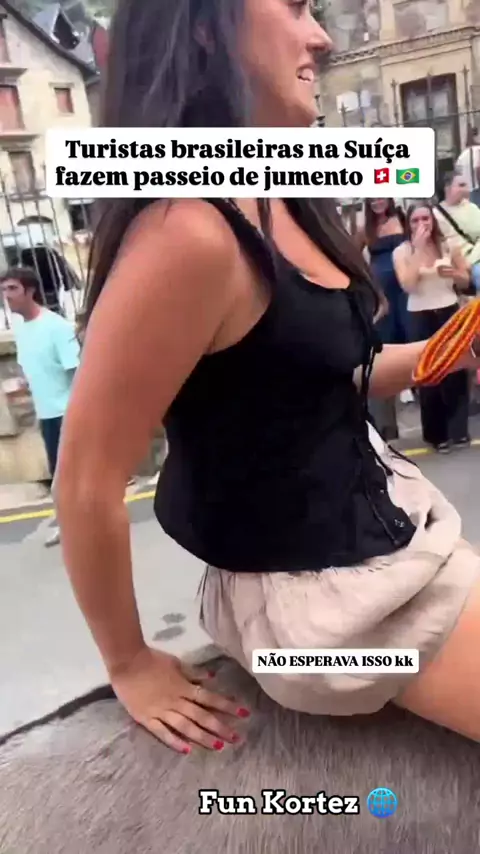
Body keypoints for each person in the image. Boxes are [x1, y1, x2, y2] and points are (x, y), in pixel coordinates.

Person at [55, 0, 480, 755]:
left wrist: (447, 351)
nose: (320, 35)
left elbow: (321, 380)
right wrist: (130, 664)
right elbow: (85, 482)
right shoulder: (189, 231)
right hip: (329, 613)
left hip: (383, 542)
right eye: (292, 6)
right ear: (204, 26)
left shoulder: (280, 191)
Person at [0, 266, 80, 547]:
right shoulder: (21, 328)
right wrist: (23, 385)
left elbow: (78, 373)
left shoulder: (57, 327)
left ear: (30, 291)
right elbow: (32, 369)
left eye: (12, 289)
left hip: (68, 414)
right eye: (3, 290)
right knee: (62, 479)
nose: (7, 296)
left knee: (66, 481)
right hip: (47, 415)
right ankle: (73, 525)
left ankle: (75, 529)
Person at [393, 202, 471, 453]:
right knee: (428, 373)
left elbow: (466, 279)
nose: (421, 224)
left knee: (456, 370)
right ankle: (436, 434)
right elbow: (407, 285)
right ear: (408, 225)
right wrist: (417, 250)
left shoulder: (448, 245)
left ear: (433, 220)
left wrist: (454, 274)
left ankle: (458, 430)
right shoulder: (402, 252)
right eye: (415, 220)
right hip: (419, 314)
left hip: (449, 310)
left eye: (425, 219)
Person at [357, 198, 411, 439]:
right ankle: (388, 425)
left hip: (407, 289)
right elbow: (353, 257)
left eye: (380, 196)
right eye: (372, 198)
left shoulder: (403, 219)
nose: (377, 201)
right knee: (385, 349)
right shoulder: (365, 229)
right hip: (382, 294)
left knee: (411, 341)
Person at [434, 171, 480, 291]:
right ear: (447, 188)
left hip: (473, 260)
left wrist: (470, 262)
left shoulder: (471, 207)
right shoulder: (435, 215)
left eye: (466, 185)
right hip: (459, 264)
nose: (467, 189)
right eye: (461, 185)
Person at [455, 126, 480, 197]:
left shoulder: (461, 156)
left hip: (466, 191)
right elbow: (478, 169)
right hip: (477, 190)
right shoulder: (478, 150)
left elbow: (457, 175)